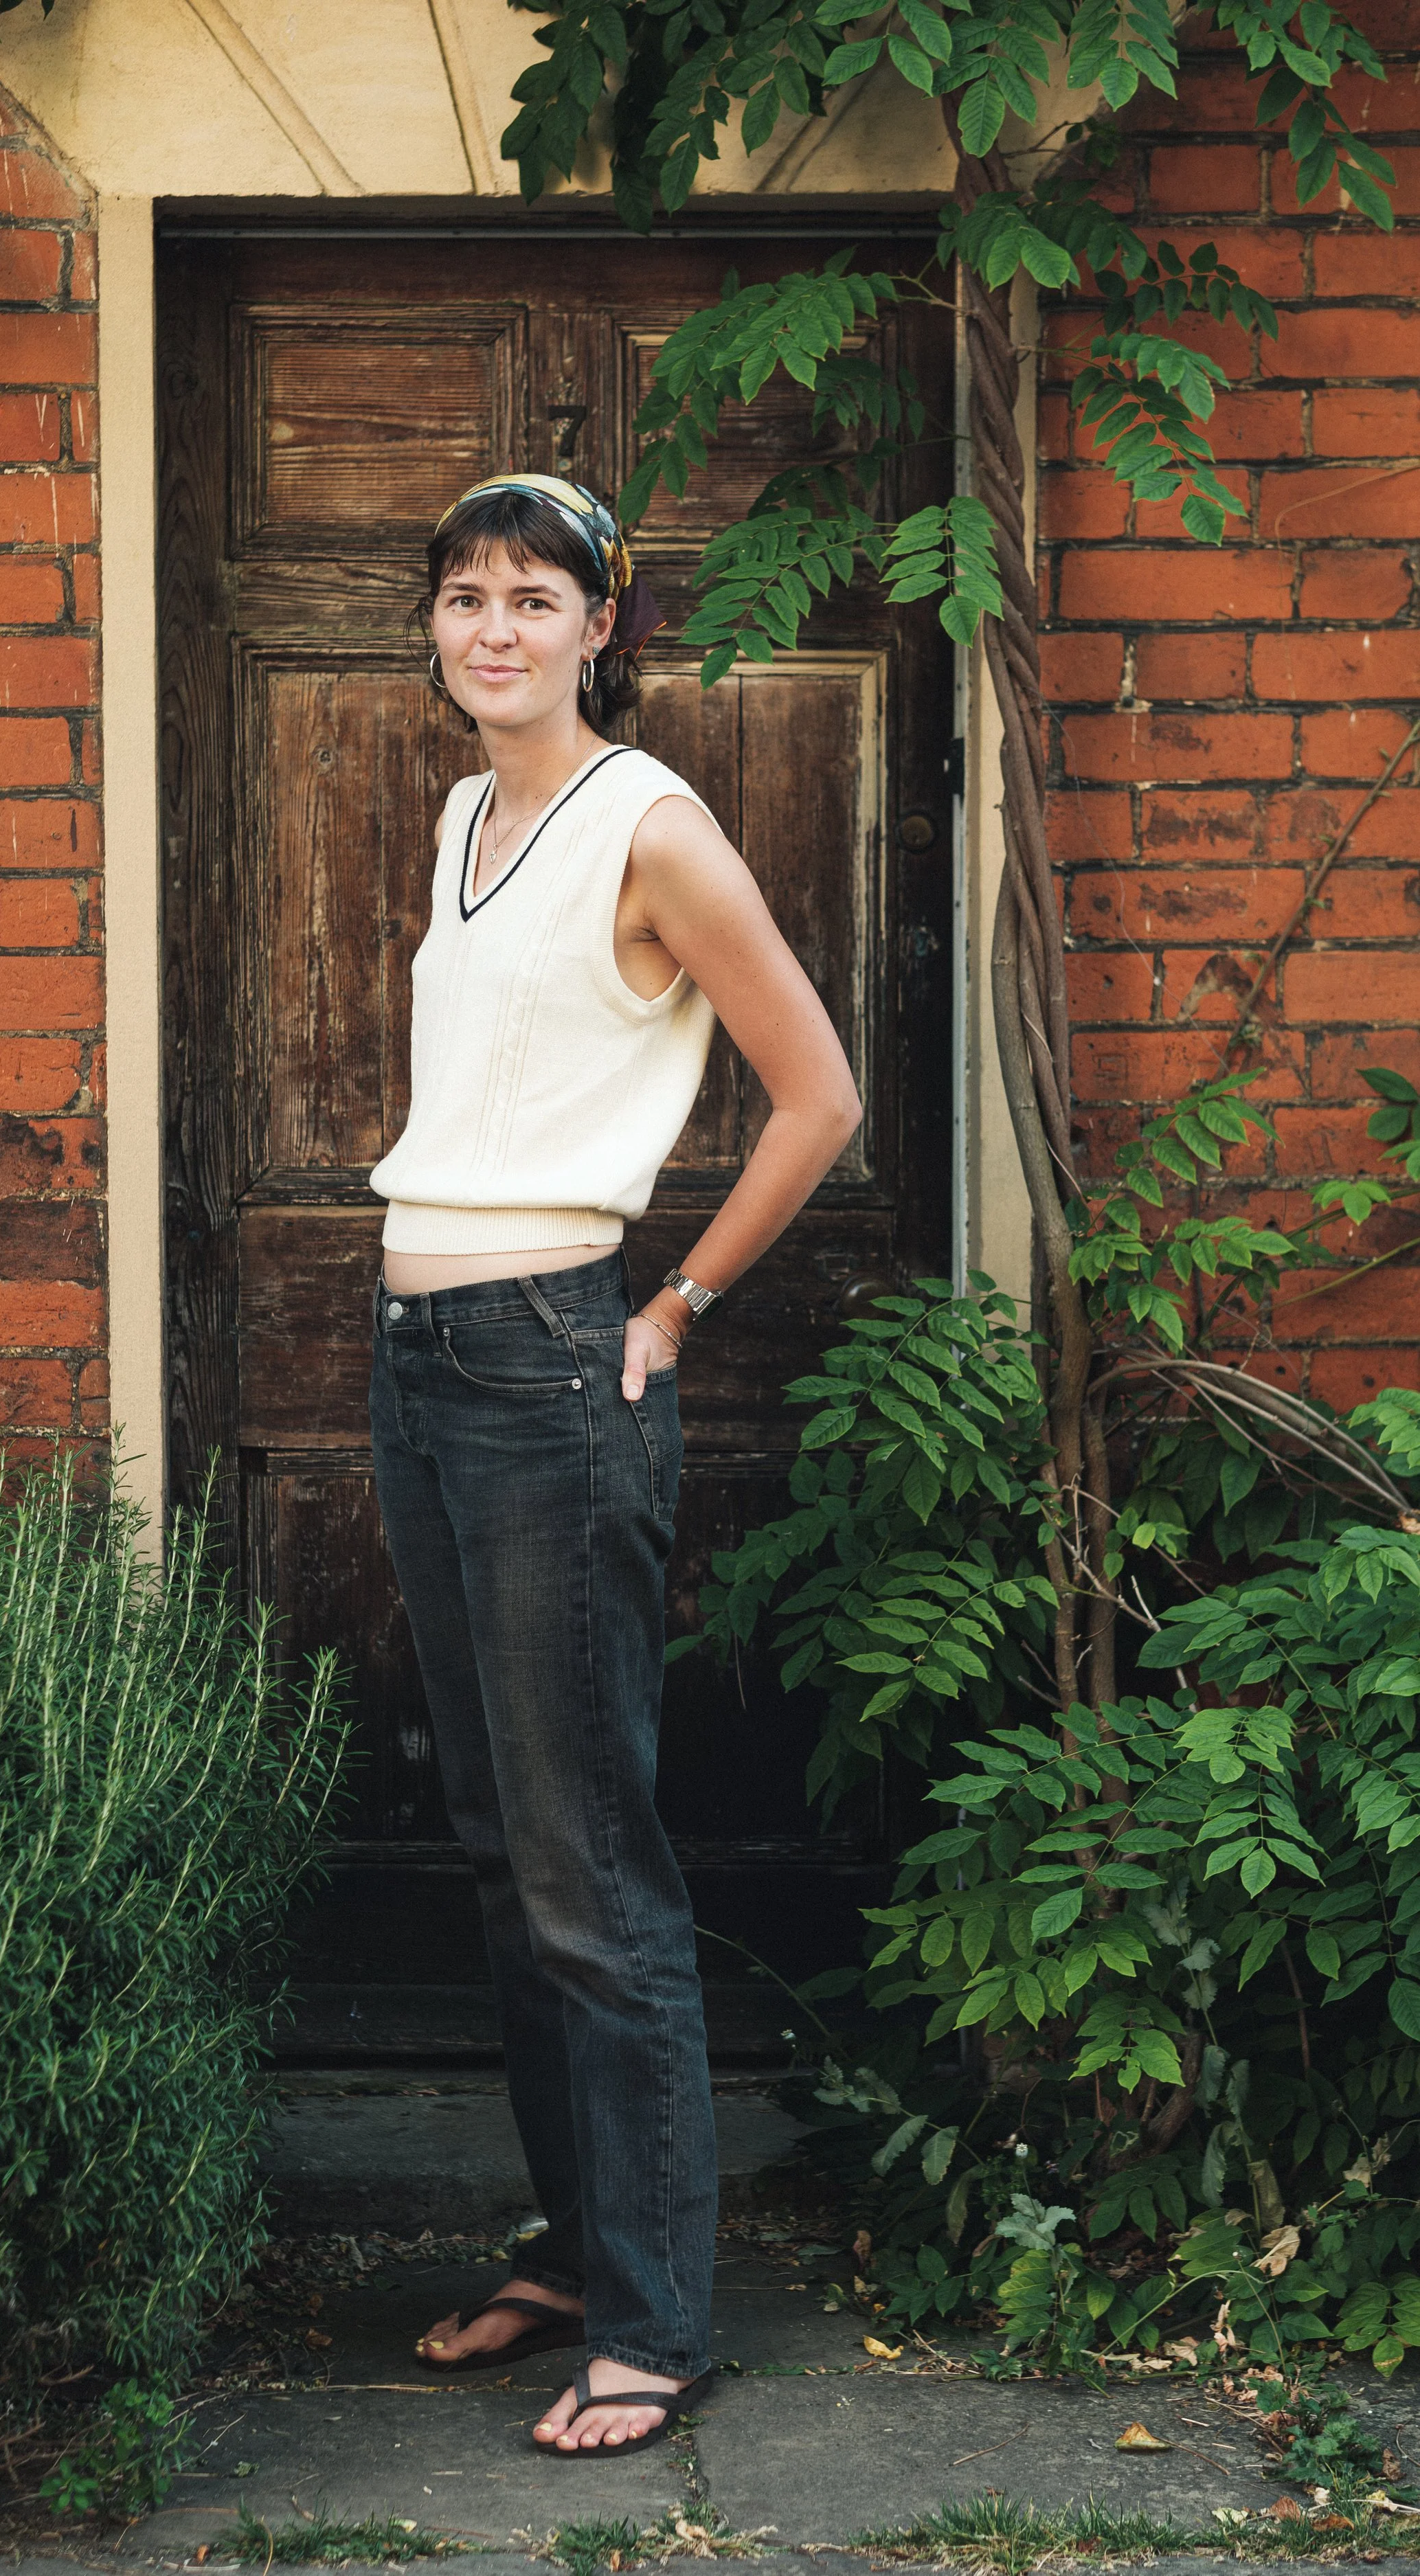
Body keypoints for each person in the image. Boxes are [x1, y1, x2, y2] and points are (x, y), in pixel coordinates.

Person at [367, 471, 860, 2457]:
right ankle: (574, 2246)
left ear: (599, 625)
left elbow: (814, 1089)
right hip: (417, 1350)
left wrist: (675, 1312)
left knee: (593, 1873)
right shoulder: (460, 816)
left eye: (532, 598)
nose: (493, 627)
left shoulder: (648, 827)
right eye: (464, 596)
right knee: (503, 1850)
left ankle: (653, 2318)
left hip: (558, 1358)